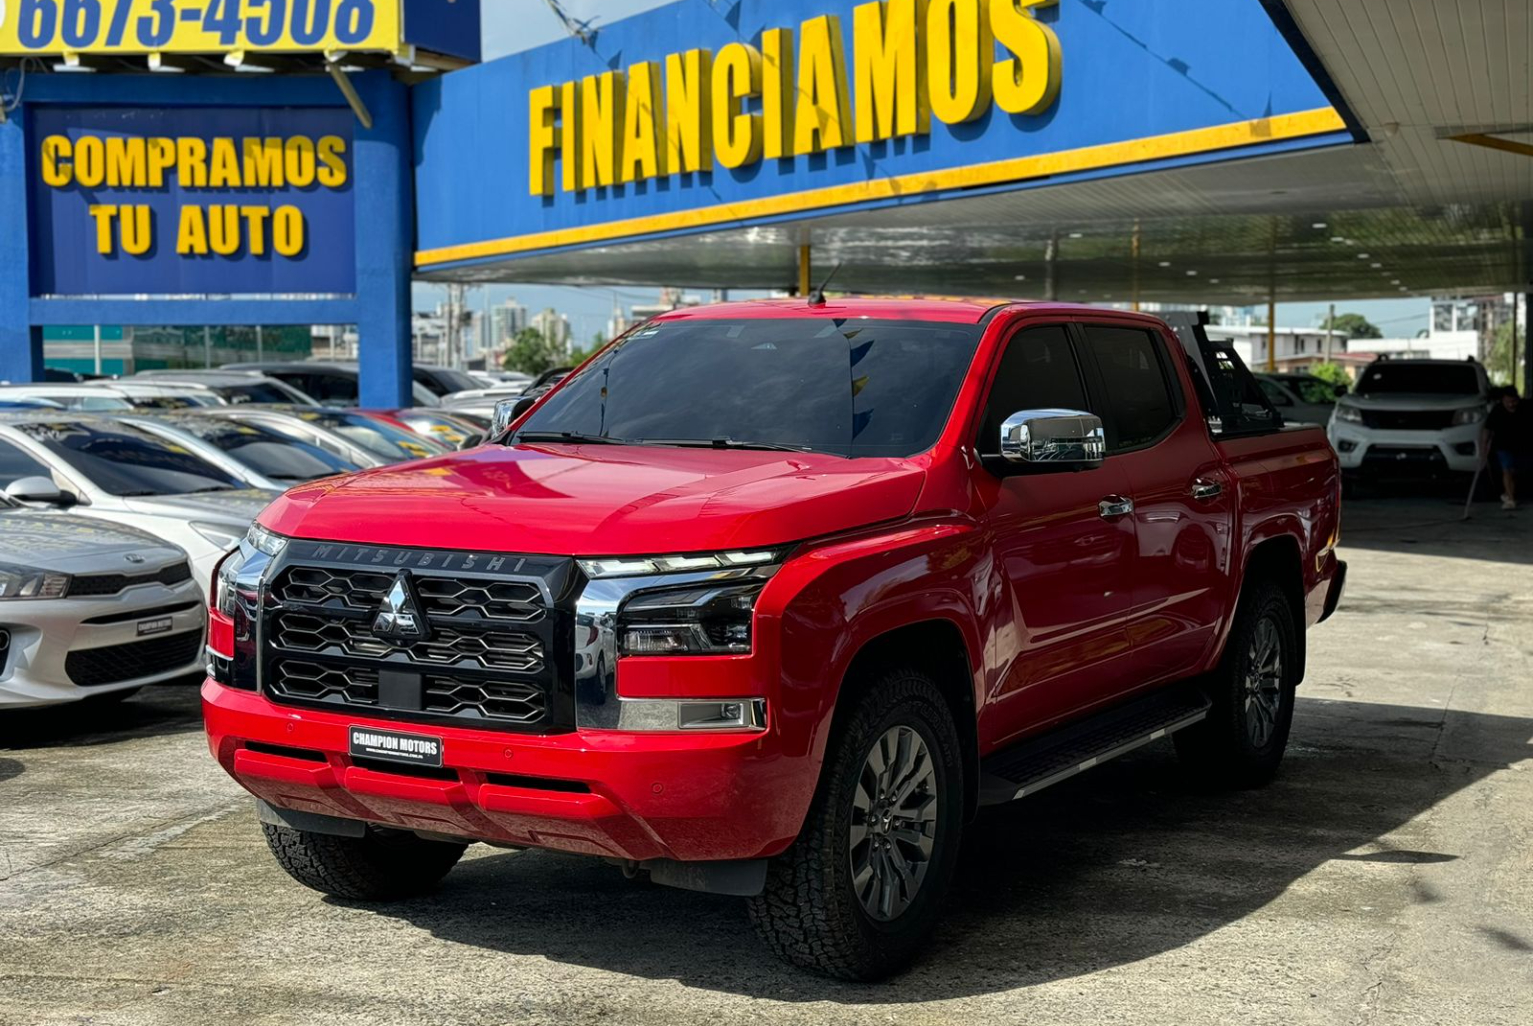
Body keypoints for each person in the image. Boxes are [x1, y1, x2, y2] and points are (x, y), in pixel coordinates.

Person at [1482, 385, 1532, 510]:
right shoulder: (1497, 410)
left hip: (1521, 446)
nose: (1511, 404)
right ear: (1503, 400)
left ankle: (1507, 493)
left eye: (1513, 401)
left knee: (1515, 471)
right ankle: (1511, 499)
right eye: (1507, 402)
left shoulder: (1525, 408)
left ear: (1518, 399)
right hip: (1502, 446)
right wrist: (1484, 445)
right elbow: (1487, 429)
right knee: (1507, 469)